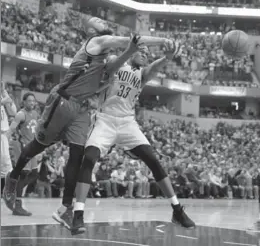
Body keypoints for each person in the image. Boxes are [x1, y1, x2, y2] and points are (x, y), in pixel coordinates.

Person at [3, 16, 169, 229]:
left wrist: (127, 59)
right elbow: (128, 41)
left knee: (78, 155)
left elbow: (119, 61)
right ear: (95, 29)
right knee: (39, 145)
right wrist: (162, 40)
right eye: (98, 21)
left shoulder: (109, 60)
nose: (101, 22)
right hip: (63, 100)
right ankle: (13, 176)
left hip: (82, 109)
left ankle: (67, 209)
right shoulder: (95, 43)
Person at [71, 42, 195, 235]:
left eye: (147, 53)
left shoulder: (141, 74)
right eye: (142, 52)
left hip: (127, 122)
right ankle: (78, 214)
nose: (145, 55)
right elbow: (113, 63)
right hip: (105, 119)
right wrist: (130, 49)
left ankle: (177, 210)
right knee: (88, 159)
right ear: (131, 52)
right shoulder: (115, 62)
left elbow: (152, 69)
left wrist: (167, 58)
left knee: (153, 160)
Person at [6, 92, 39, 216]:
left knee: (35, 174)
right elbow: (11, 130)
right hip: (22, 147)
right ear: (24, 102)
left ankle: (12, 187)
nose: (32, 103)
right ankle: (18, 206)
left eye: (33, 101)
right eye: (29, 101)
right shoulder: (21, 114)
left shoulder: (35, 113)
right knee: (24, 174)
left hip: (33, 147)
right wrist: (4, 142)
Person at [1, 83, 17, 194]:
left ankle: (8, 194)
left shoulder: (3, 95)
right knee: (6, 165)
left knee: (6, 166)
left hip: (2, 134)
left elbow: (13, 112)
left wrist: (4, 93)